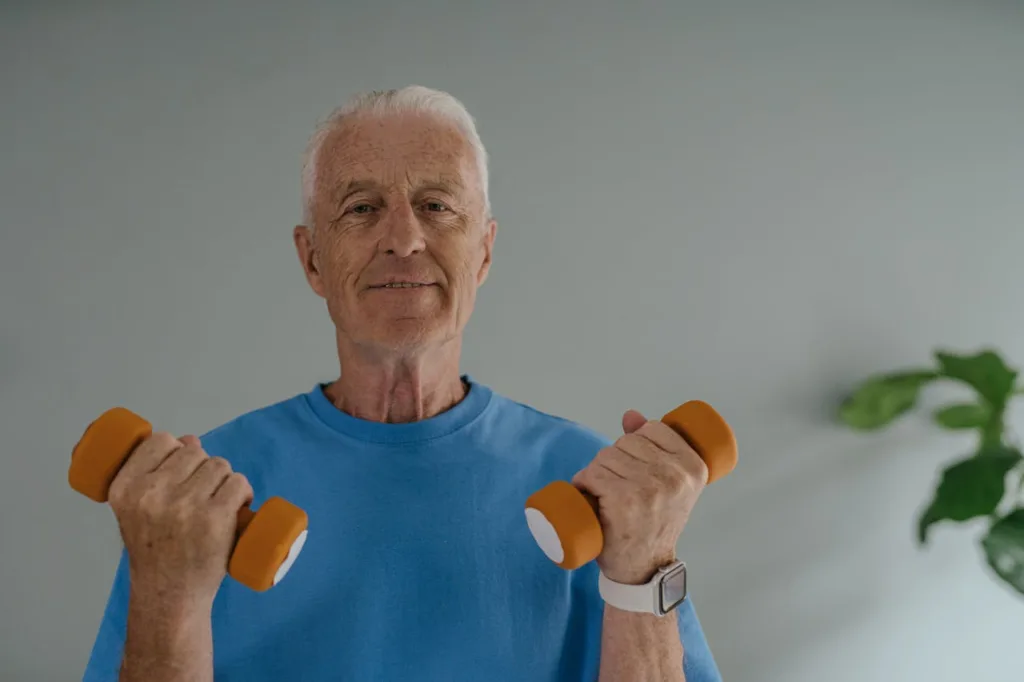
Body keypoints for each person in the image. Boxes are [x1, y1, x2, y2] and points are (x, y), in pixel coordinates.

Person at [81, 86, 723, 682]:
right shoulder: (200, 498)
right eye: (361, 209)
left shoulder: (596, 485)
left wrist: (643, 574)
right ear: (312, 260)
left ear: (484, 253)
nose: (405, 239)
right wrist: (168, 596)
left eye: (437, 206)